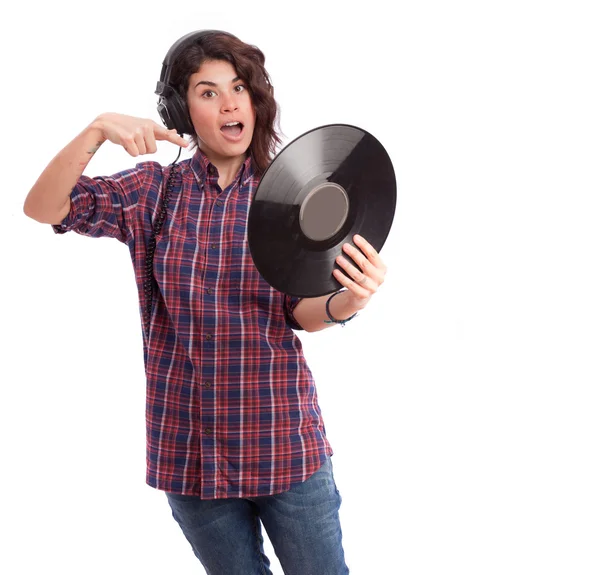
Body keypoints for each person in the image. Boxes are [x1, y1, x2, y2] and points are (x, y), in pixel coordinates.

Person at [23, 29, 388, 575]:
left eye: (239, 87)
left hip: (281, 443)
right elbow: (44, 207)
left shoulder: (290, 195)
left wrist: (347, 300)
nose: (230, 102)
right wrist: (96, 130)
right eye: (208, 91)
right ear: (181, 108)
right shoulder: (153, 191)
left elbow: (299, 313)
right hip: (189, 454)